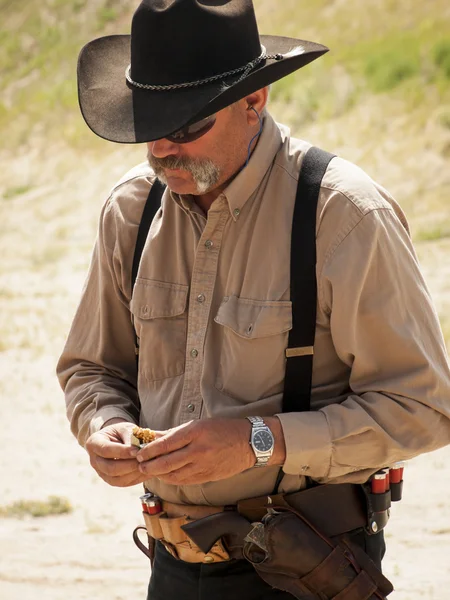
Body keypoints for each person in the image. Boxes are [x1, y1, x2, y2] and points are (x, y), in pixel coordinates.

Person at [57, 1, 450, 599]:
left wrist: (259, 441)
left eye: (187, 125)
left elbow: (422, 407)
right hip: (169, 564)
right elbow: (92, 368)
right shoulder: (131, 210)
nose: (162, 150)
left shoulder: (342, 214)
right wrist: (103, 425)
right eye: (149, 126)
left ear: (253, 102)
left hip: (306, 564)